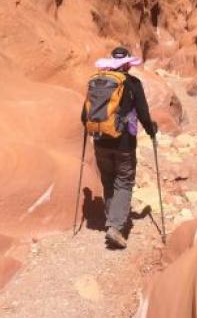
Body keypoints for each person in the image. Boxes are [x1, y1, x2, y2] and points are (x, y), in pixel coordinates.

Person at [81, 47, 157, 249]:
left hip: (100, 141)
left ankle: (111, 218)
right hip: (124, 144)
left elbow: (84, 115)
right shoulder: (132, 83)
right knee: (124, 181)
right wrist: (151, 130)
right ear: (127, 64)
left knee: (108, 179)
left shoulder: (97, 82)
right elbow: (142, 112)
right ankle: (115, 226)